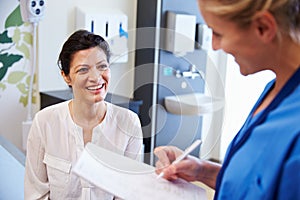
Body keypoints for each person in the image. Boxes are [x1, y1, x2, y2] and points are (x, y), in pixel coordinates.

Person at [154, 0, 300, 199]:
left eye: (218, 33)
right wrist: (201, 171)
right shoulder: (275, 90)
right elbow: (257, 184)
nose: (214, 46)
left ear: (263, 28)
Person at [24, 29, 143, 199]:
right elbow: (36, 193)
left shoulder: (128, 123)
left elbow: (128, 193)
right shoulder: (44, 122)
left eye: (102, 67)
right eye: (83, 70)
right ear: (66, 76)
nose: (96, 77)